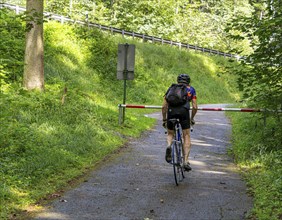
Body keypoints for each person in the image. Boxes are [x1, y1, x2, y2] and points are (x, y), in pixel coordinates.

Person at [162, 74, 197, 171]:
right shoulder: (191, 90)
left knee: (170, 133)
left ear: (178, 81)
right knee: (186, 135)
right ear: (188, 81)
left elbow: (164, 106)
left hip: (171, 112)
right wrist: (192, 118)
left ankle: (169, 145)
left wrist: (164, 119)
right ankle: (185, 161)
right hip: (184, 112)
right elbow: (194, 107)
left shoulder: (171, 88)